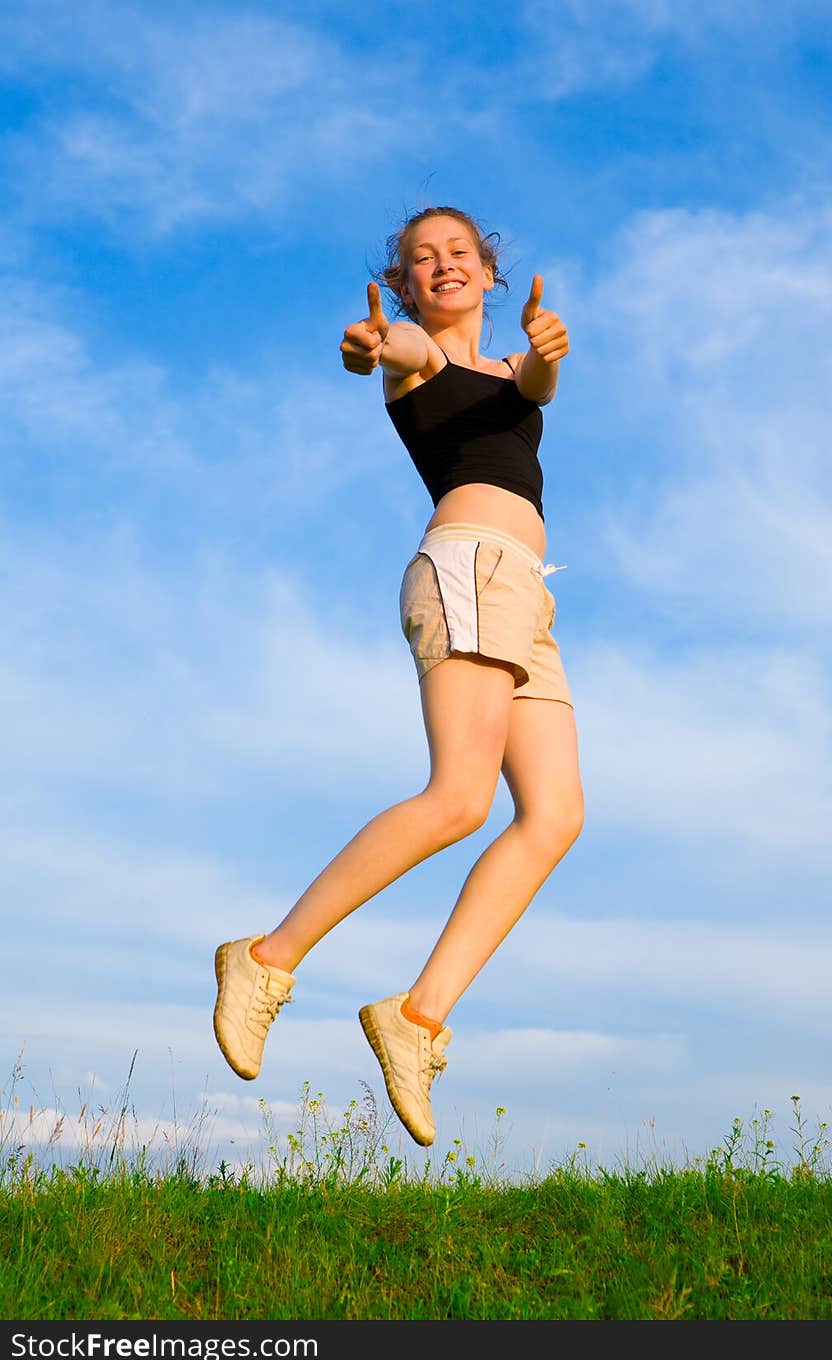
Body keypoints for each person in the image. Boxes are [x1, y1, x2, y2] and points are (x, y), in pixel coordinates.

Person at [212, 205, 584, 1147]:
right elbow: (392, 348)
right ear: (408, 284)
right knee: (459, 797)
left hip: (525, 596)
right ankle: (266, 958)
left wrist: (547, 347)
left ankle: (416, 1019)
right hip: (468, 569)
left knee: (555, 815)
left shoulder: (513, 374)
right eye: (422, 260)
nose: (442, 265)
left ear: (490, 274)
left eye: (459, 253)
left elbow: (535, 380)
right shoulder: (419, 355)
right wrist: (370, 342)